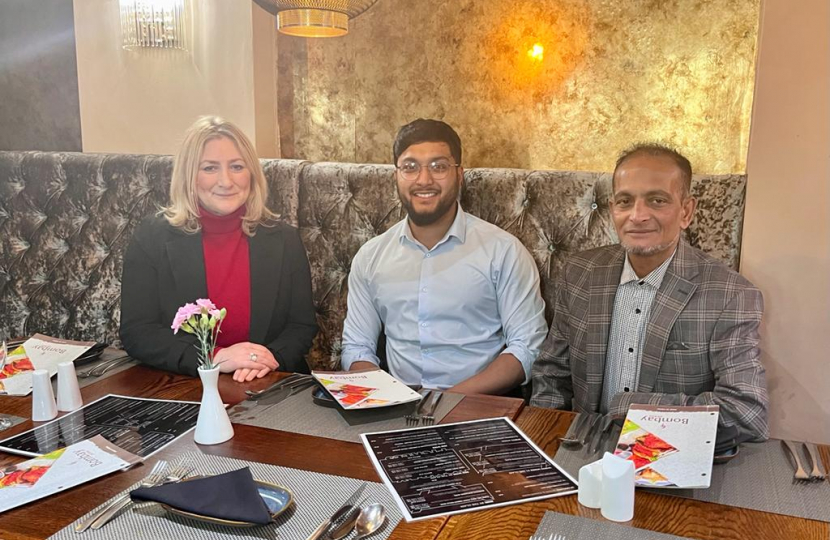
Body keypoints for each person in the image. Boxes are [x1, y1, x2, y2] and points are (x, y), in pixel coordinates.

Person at [530, 143, 769, 444]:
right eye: (625, 201)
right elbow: (552, 374)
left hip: (670, 456)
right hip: (582, 450)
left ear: (686, 211)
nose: (637, 215)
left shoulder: (730, 294)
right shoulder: (580, 273)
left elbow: (747, 414)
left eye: (657, 200)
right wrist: (543, 441)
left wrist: (629, 408)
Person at [341, 119, 547, 395]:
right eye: (410, 167)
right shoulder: (370, 256)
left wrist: (449, 401)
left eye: (438, 167)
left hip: (481, 404)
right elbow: (357, 347)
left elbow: (527, 347)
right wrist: (385, 397)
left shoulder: (503, 251)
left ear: (459, 174)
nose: (424, 179)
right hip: (396, 406)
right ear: (396, 176)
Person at [120, 116, 317, 381]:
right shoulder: (151, 237)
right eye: (210, 168)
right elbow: (138, 331)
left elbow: (301, 326)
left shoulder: (284, 238)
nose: (226, 181)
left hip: (269, 381)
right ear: (189, 176)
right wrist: (212, 358)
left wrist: (263, 361)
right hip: (185, 382)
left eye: (237, 166)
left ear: (251, 174)